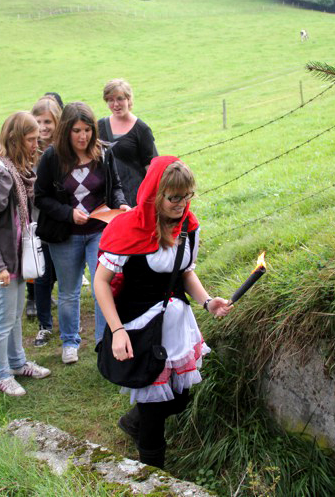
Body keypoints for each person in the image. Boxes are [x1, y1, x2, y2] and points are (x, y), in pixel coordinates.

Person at [93, 156, 232, 468]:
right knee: (155, 414)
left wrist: (208, 302)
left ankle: (133, 421)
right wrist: (117, 331)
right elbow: (101, 283)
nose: (182, 205)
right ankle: (154, 478)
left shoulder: (189, 228)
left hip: (177, 326)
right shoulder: (128, 230)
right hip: (139, 327)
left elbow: (186, 272)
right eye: (174, 197)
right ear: (156, 195)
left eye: (187, 196)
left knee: (179, 398)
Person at [35, 102, 130, 364]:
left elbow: (116, 186)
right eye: (77, 130)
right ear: (66, 130)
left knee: (103, 286)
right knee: (68, 291)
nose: (83, 136)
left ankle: (103, 340)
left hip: (100, 230)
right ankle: (69, 341)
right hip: (65, 234)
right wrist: (68, 213)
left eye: (88, 130)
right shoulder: (52, 158)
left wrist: (120, 202)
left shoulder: (103, 154)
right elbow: (41, 197)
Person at [0, 111, 51, 396]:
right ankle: (0, 374)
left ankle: (17, 363)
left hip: (13, 257)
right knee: (3, 318)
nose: (35, 146)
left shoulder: (17, 170)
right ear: (16, 139)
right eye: (30, 140)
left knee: (15, 315)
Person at [27, 96, 62, 347]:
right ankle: (45, 325)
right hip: (37, 220)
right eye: (38, 122)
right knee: (41, 274)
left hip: (61, 218)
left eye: (48, 121)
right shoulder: (28, 151)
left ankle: (70, 321)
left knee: (64, 271)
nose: (43, 127)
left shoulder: (64, 148)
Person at [97, 79, 158, 206]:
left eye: (120, 98)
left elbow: (152, 168)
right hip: (109, 196)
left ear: (129, 99)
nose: (116, 104)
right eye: (110, 100)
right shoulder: (99, 126)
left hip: (135, 197)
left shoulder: (141, 129)